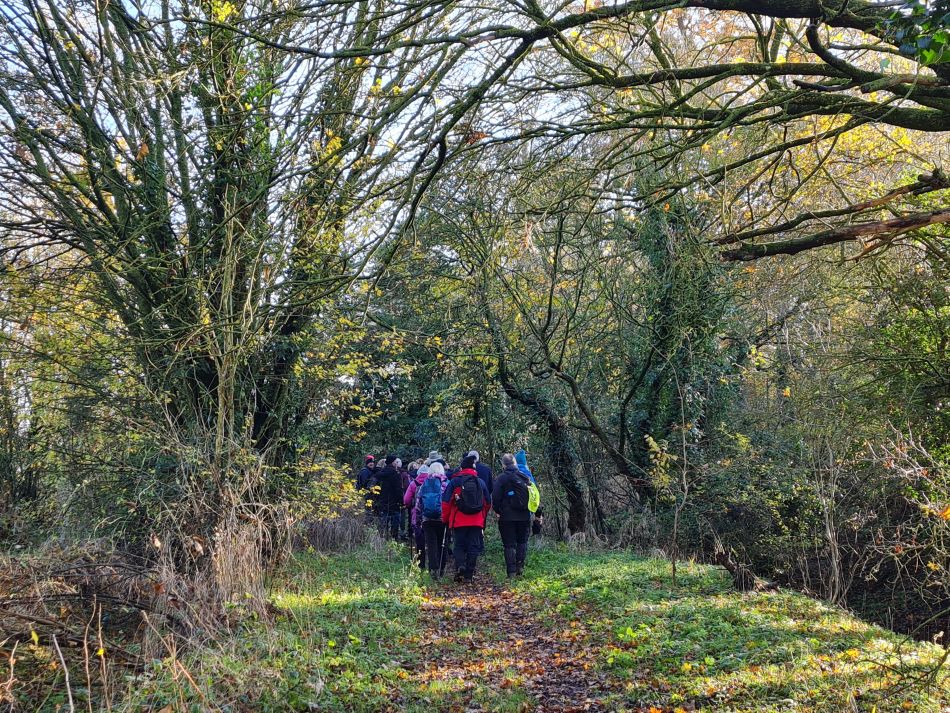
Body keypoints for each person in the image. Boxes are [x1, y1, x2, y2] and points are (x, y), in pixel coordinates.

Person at [442, 454, 491, 583]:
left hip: (459, 520)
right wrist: (482, 516)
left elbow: (446, 502)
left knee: (459, 545)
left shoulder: (455, 482)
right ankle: (469, 575)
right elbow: (487, 503)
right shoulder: (480, 482)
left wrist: (445, 519)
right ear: (474, 468)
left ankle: (460, 566)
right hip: (476, 521)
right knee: (473, 547)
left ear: (461, 467)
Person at [492, 453, 533, 577]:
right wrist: (535, 513)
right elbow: (533, 496)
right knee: (522, 542)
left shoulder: (501, 479)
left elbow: (495, 498)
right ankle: (520, 567)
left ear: (503, 465)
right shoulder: (525, 477)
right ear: (515, 463)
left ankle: (511, 572)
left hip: (507, 517)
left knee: (509, 544)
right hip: (524, 515)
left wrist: (498, 511)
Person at [416, 463, 450, 577]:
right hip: (442, 518)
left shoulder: (424, 484)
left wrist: (418, 519)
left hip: (427, 519)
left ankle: (433, 569)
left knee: (431, 544)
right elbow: (449, 501)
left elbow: (418, 503)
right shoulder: (446, 483)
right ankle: (442, 568)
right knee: (442, 543)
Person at [404, 464, 430, 568]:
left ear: (418, 473)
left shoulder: (413, 483)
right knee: (431, 538)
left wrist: (411, 506)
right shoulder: (432, 482)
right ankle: (433, 564)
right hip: (431, 515)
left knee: (420, 539)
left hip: (417, 515)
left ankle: (421, 563)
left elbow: (406, 500)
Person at [376, 455, 403, 539]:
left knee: (383, 521)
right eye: (396, 461)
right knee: (395, 521)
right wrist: (401, 501)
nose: (397, 463)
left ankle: (382, 538)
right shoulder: (396, 474)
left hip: (382, 501)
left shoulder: (380, 474)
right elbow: (398, 489)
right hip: (394, 502)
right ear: (392, 462)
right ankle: (394, 539)